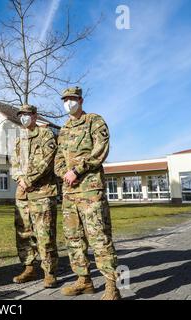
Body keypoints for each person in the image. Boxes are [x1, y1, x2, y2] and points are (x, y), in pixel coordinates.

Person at [55, 86, 121, 300]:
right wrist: (64, 173)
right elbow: (57, 160)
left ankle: (112, 286)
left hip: (90, 190)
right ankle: (84, 281)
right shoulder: (64, 129)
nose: (68, 103)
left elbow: (100, 150)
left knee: (99, 237)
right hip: (69, 193)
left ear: (80, 100)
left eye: (72, 99)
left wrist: (76, 170)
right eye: (65, 99)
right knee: (73, 239)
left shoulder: (94, 121)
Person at [10, 104, 59, 288]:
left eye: (27, 114)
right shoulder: (19, 139)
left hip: (42, 192)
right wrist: (19, 178)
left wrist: (28, 180)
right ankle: (28, 267)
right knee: (23, 233)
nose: (24, 117)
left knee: (44, 233)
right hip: (22, 194)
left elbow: (46, 161)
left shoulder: (46, 135)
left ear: (35, 115)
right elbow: (13, 162)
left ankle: (49, 272)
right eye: (21, 114)